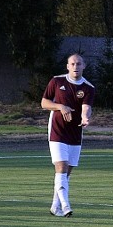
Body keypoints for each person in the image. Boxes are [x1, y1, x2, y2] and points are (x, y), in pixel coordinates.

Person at [40, 54, 95, 217]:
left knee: (66, 173)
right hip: (57, 130)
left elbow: (86, 107)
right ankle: (65, 206)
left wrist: (85, 118)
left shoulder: (88, 87)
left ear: (84, 66)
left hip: (75, 132)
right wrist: (60, 107)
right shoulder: (57, 81)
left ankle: (54, 206)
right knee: (61, 166)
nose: (76, 66)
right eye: (73, 64)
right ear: (67, 66)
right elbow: (44, 103)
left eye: (79, 64)